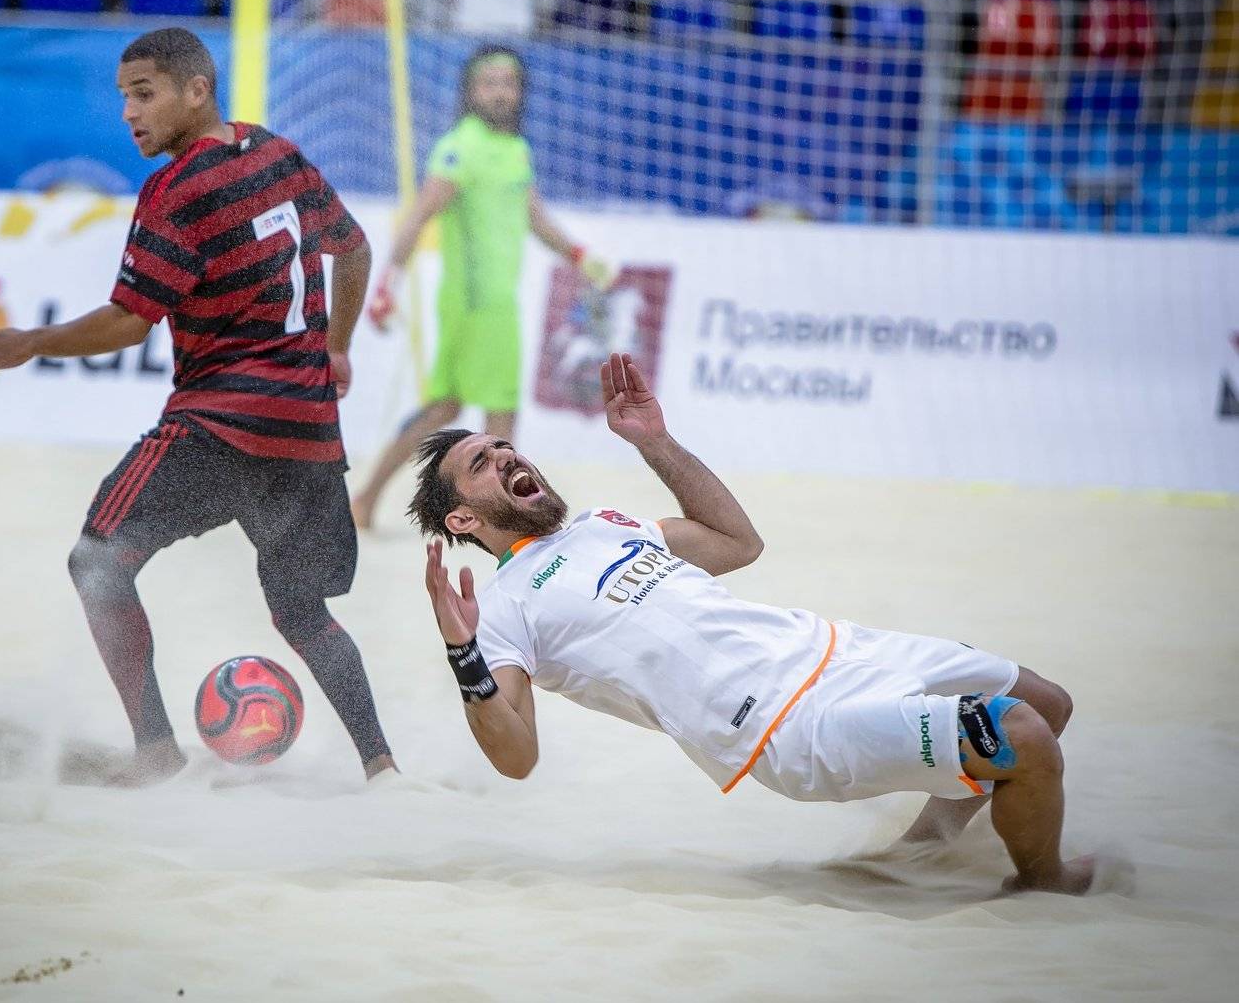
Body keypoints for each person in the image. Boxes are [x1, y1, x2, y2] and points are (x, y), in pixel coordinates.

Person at [412, 352, 1102, 895]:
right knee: (1021, 734)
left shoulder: (604, 524)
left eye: (504, 446)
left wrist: (656, 442)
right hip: (788, 725)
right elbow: (517, 758)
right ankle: (1042, 886)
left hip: (835, 649)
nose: (506, 455)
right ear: (463, 518)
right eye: (481, 463)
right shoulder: (502, 607)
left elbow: (738, 543)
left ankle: (927, 845)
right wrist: (463, 654)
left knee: (1048, 703)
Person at [0, 27, 396, 785]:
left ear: (197, 91)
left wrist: (32, 342)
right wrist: (338, 348)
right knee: (302, 614)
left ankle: (158, 752)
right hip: (306, 431)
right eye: (123, 98)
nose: (128, 114)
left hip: (220, 427)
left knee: (96, 563)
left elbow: (128, 321)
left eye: (144, 94)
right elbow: (355, 248)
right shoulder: (278, 152)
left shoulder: (176, 190)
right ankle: (382, 766)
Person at [349, 44, 610, 530]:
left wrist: (577, 254)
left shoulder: (516, 151)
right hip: (475, 305)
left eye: (509, 83)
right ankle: (509, 524)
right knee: (501, 415)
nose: (500, 92)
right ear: (469, 92)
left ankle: (365, 500)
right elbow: (420, 215)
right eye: (489, 83)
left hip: (495, 303)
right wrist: (388, 284)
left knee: (444, 408)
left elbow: (534, 217)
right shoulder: (460, 147)